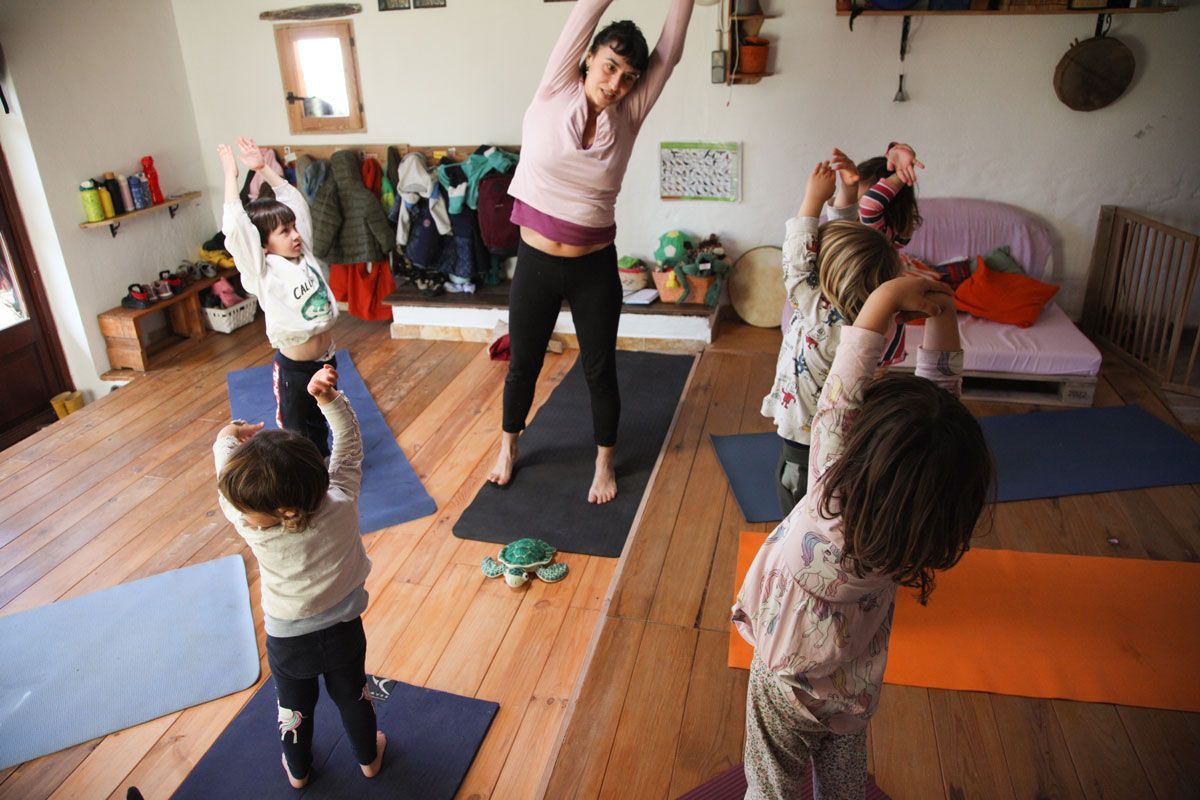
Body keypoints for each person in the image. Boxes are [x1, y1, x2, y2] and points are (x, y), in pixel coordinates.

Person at [733, 275, 993, 800]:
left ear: (856, 449)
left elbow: (843, 386)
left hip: (785, 684)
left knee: (772, 787)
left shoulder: (829, 505)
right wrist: (942, 312)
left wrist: (889, 296)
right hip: (855, 684)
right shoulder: (912, 528)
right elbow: (940, 415)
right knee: (844, 784)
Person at [490, 0, 695, 504]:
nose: (615, 83)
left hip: (593, 267)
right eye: (609, 67)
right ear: (588, 59)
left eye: (628, 77)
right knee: (524, 364)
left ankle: (604, 462)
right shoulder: (555, 90)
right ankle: (508, 447)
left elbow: (668, 55)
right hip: (537, 263)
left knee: (599, 367)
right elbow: (586, 9)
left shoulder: (628, 114)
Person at [214, 365, 384, 788]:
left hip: (288, 639)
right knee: (353, 697)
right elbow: (347, 446)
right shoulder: (341, 498)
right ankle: (368, 759)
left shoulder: (253, 529)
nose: (243, 510)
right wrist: (327, 400)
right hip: (344, 627)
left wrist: (225, 439)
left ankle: (299, 770)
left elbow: (225, 488)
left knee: (293, 708)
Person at [761, 161, 908, 516]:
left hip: (803, 440)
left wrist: (813, 199)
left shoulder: (817, 316)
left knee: (801, 509)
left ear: (828, 274)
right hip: (845, 435)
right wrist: (844, 196)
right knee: (836, 500)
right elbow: (857, 249)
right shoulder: (872, 323)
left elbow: (797, 258)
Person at [220, 137, 339, 457]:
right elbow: (237, 229)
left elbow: (295, 203)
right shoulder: (262, 270)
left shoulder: (306, 254)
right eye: (284, 232)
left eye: (293, 228)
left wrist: (263, 169)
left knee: (325, 420)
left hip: (327, 360)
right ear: (263, 244)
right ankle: (304, 475)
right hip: (295, 371)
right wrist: (231, 179)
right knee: (298, 432)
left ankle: (323, 464)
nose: (295, 234)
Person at [831, 142, 924, 252]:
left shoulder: (879, 235)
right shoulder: (851, 227)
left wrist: (902, 174)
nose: (852, 211)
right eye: (853, 203)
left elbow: (869, 206)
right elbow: (839, 214)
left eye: (859, 205)